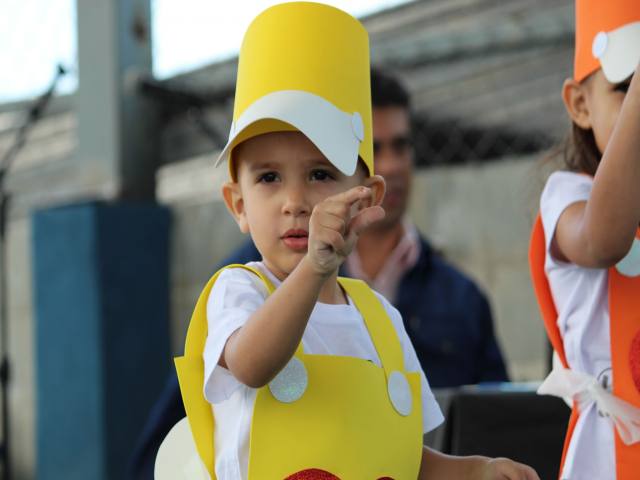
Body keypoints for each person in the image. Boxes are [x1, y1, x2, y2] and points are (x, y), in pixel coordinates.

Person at [154, 3, 538, 479]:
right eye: (269, 177)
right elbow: (252, 364)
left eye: (319, 174)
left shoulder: (380, 321)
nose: (294, 201)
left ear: (366, 197)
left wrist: (476, 470)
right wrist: (314, 269)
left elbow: (401, 456)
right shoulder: (241, 291)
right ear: (237, 205)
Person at [528, 1, 640, 479]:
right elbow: (603, 239)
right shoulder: (569, 196)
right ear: (579, 104)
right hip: (611, 452)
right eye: (625, 88)